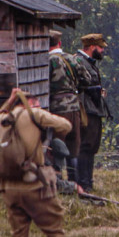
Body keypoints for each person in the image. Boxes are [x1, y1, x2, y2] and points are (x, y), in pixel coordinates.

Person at [0, 88, 72, 237]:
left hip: (8, 186)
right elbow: (66, 125)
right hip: (32, 183)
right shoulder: (35, 114)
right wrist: (39, 116)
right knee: (55, 232)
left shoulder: (3, 121)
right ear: (33, 102)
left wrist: (10, 100)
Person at [74, 33, 110, 192]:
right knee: (85, 146)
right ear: (92, 47)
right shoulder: (79, 61)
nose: (102, 50)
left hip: (94, 109)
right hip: (86, 109)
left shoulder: (89, 62)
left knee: (92, 146)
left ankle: (88, 181)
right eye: (100, 47)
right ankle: (83, 183)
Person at [47, 30, 83, 184]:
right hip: (74, 107)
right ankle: (75, 181)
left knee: (58, 144)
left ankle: (59, 181)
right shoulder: (71, 59)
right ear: (59, 43)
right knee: (73, 146)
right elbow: (86, 79)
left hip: (57, 108)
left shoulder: (47, 60)